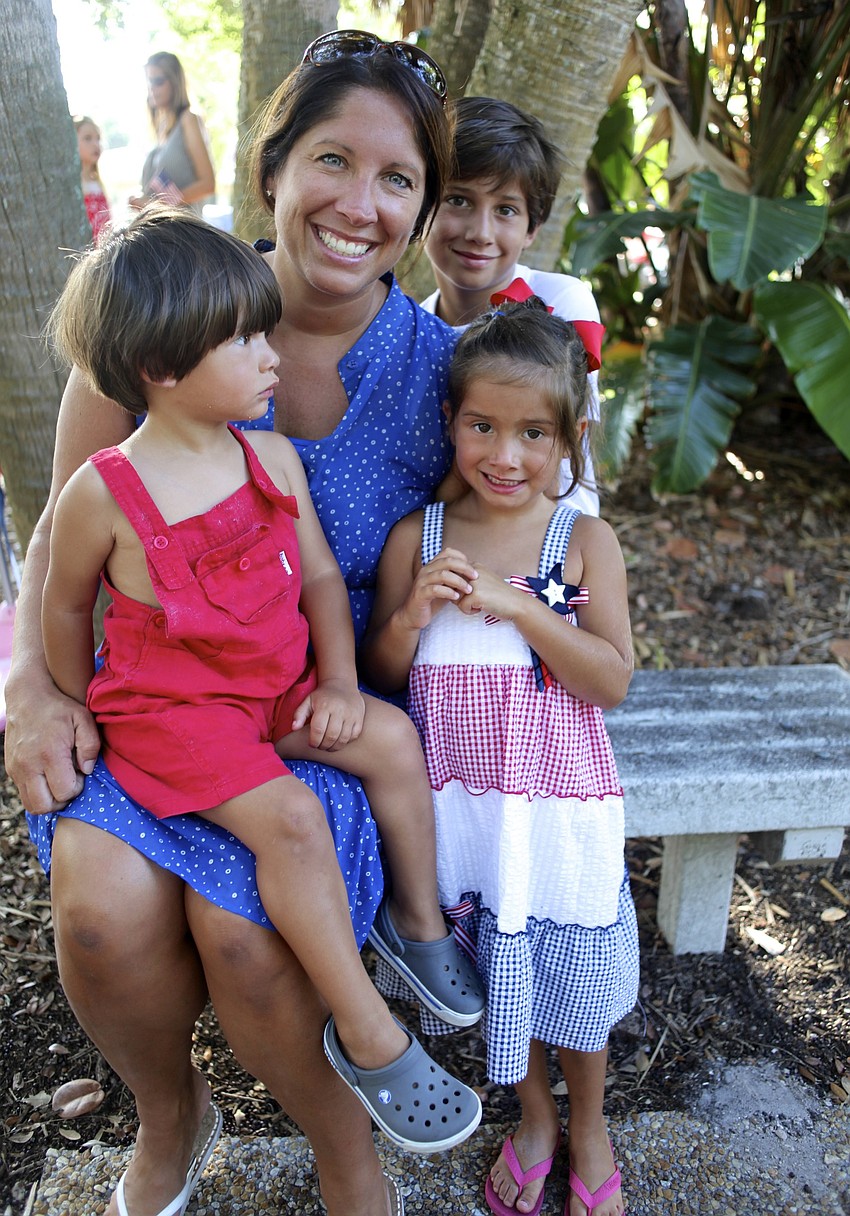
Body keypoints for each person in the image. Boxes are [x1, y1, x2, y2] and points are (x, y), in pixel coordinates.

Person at [6, 31, 463, 1216]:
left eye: (397, 178)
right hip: (156, 701)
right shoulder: (158, 310)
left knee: (252, 930)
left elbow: (531, 536)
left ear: (419, 208)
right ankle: (171, 1113)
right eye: (331, 158)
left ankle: (344, 1141)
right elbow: (58, 548)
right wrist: (35, 693)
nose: (359, 204)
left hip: (321, 693)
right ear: (272, 168)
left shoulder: (444, 371)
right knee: (102, 912)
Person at [361, 299, 639, 1216]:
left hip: (557, 820)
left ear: (570, 439)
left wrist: (526, 610)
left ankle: (589, 1122)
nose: (504, 454)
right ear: (450, 422)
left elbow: (609, 681)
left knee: (571, 991)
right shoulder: (420, 539)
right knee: (493, 984)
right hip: (462, 823)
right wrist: (410, 614)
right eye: (482, 425)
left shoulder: (582, 541)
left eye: (533, 433)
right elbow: (382, 674)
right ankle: (534, 1119)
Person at [420, 96, 604, 516]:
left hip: (557, 545)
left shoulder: (561, 303)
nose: (480, 232)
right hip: (449, 546)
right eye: (458, 200)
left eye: (505, 209)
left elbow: (559, 455)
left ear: (532, 228)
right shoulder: (409, 329)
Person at [129, 52, 215, 214]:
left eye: (158, 81)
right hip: (160, 229)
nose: (152, 88)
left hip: (185, 231)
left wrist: (158, 204)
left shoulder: (188, 120)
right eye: (149, 82)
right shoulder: (161, 127)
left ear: (175, 82)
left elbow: (208, 184)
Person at [74, 115, 111, 242]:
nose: (96, 144)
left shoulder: (97, 183)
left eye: (98, 139)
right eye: (87, 138)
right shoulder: (75, 185)